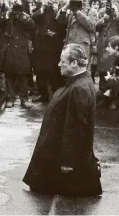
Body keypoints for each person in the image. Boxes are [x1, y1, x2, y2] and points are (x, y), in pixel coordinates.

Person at [23, 43, 102, 197]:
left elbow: (75, 128)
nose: (59, 64)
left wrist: (68, 161)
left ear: (74, 63)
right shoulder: (78, 83)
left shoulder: (79, 88)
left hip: (59, 157)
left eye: (63, 61)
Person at [0, 0, 36, 108]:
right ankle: (10, 98)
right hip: (9, 47)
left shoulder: (25, 16)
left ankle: (24, 99)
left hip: (22, 48)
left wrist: (21, 15)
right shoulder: (7, 15)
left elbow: (32, 26)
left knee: (23, 76)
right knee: (9, 74)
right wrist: (7, 14)